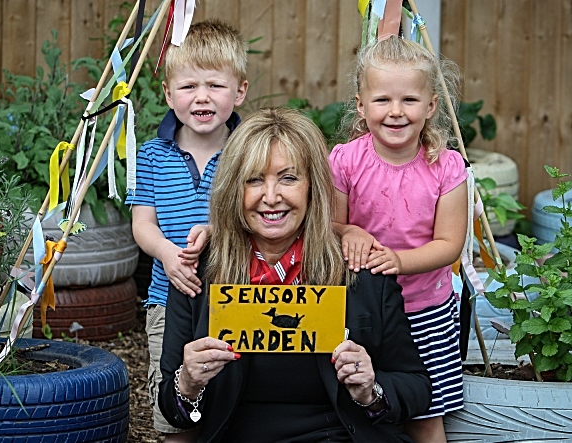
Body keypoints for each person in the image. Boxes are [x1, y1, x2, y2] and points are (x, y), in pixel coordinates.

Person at [158, 107, 432, 443]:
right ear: (234, 189)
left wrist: (370, 388)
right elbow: (173, 408)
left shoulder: (359, 269)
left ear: (312, 187)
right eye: (254, 179)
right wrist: (187, 383)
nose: (271, 197)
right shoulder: (199, 273)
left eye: (288, 178)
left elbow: (416, 387)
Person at [328, 35, 468, 443]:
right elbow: (328, 226)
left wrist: (400, 261)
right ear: (360, 105)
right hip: (362, 308)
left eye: (409, 100)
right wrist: (350, 230)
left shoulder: (446, 166)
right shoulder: (345, 160)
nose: (395, 112)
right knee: (358, 404)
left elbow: (449, 243)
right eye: (382, 100)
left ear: (431, 107)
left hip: (425, 309)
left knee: (424, 415)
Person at [125, 20, 248, 440]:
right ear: (168, 94)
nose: (202, 97)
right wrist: (166, 253)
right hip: (167, 296)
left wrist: (219, 229)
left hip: (235, 294)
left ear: (240, 91)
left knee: (231, 395)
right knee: (174, 399)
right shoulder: (152, 154)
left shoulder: (247, 150)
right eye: (188, 86)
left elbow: (257, 215)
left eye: (215, 85)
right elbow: (142, 223)